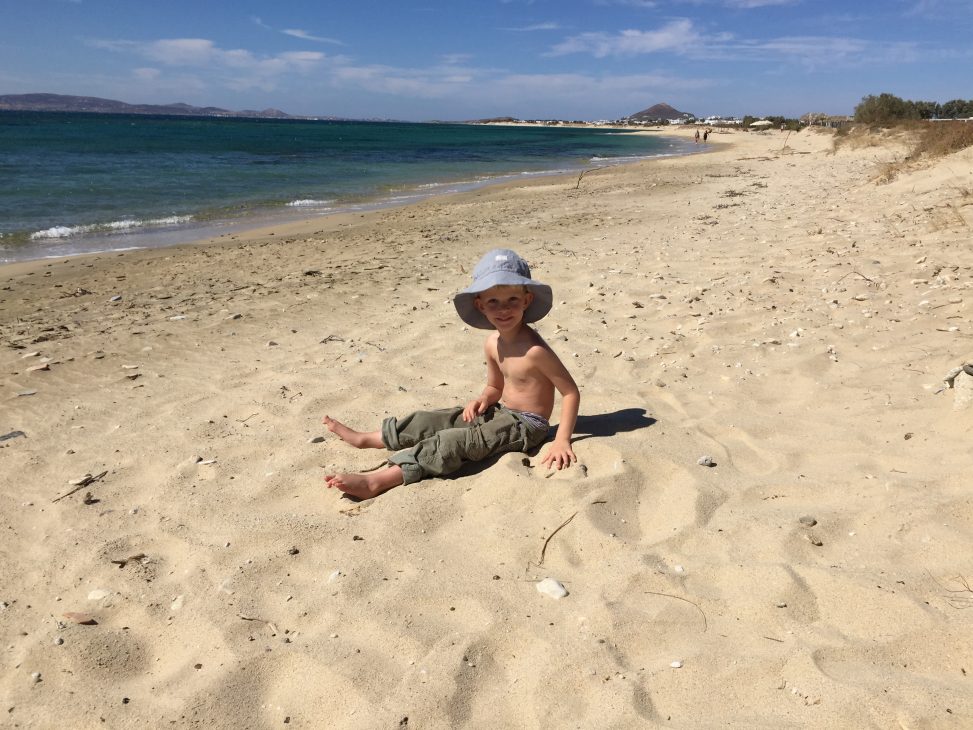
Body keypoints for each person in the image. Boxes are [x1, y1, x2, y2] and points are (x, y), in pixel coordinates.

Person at [323, 248, 581, 500]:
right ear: (480, 305)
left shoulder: (535, 351)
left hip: (527, 426)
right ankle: (370, 438)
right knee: (433, 420)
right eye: (493, 301)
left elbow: (570, 393)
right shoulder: (492, 343)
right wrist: (483, 399)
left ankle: (380, 480)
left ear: (526, 300)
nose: (503, 309)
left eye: (512, 300)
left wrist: (561, 440)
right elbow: (495, 387)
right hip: (501, 411)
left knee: (454, 441)